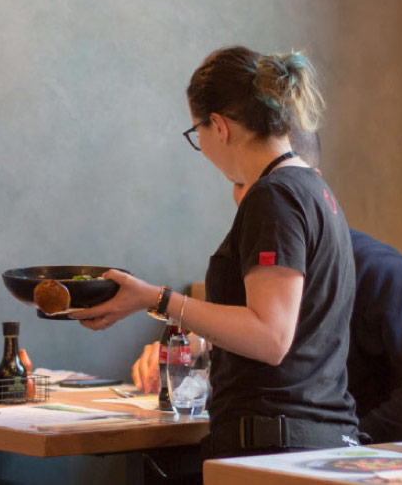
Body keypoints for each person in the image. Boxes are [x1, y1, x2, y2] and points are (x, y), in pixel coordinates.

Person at [72, 46, 361, 458]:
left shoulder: (273, 197)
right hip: (319, 437)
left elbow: (270, 337)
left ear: (220, 127)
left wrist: (158, 300)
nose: (202, 146)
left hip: (273, 446)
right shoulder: (315, 190)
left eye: (197, 133)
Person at [132, 130, 402, 445]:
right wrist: (192, 349)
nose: (247, 199)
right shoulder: (250, 270)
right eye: (238, 184)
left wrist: (359, 441)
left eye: (258, 185)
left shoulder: (381, 271)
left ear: (310, 184)